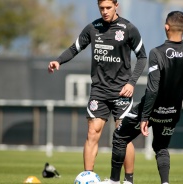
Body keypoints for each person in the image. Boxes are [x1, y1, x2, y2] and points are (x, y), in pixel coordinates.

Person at [97, 11, 183, 184]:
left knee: (120, 137)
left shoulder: (157, 53)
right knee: (161, 147)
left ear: (166, 27)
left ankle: (115, 181)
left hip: (151, 109)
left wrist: (145, 117)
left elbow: (152, 89)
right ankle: (165, 183)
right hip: (172, 112)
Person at [47, 0, 147, 183]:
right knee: (92, 132)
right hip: (99, 91)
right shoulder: (93, 27)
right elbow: (75, 48)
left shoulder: (128, 28)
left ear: (116, 5)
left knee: (122, 135)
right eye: (101, 8)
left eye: (108, 7)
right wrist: (58, 61)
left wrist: (132, 83)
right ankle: (88, 178)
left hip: (122, 92)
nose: (105, 11)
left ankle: (128, 180)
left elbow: (142, 57)